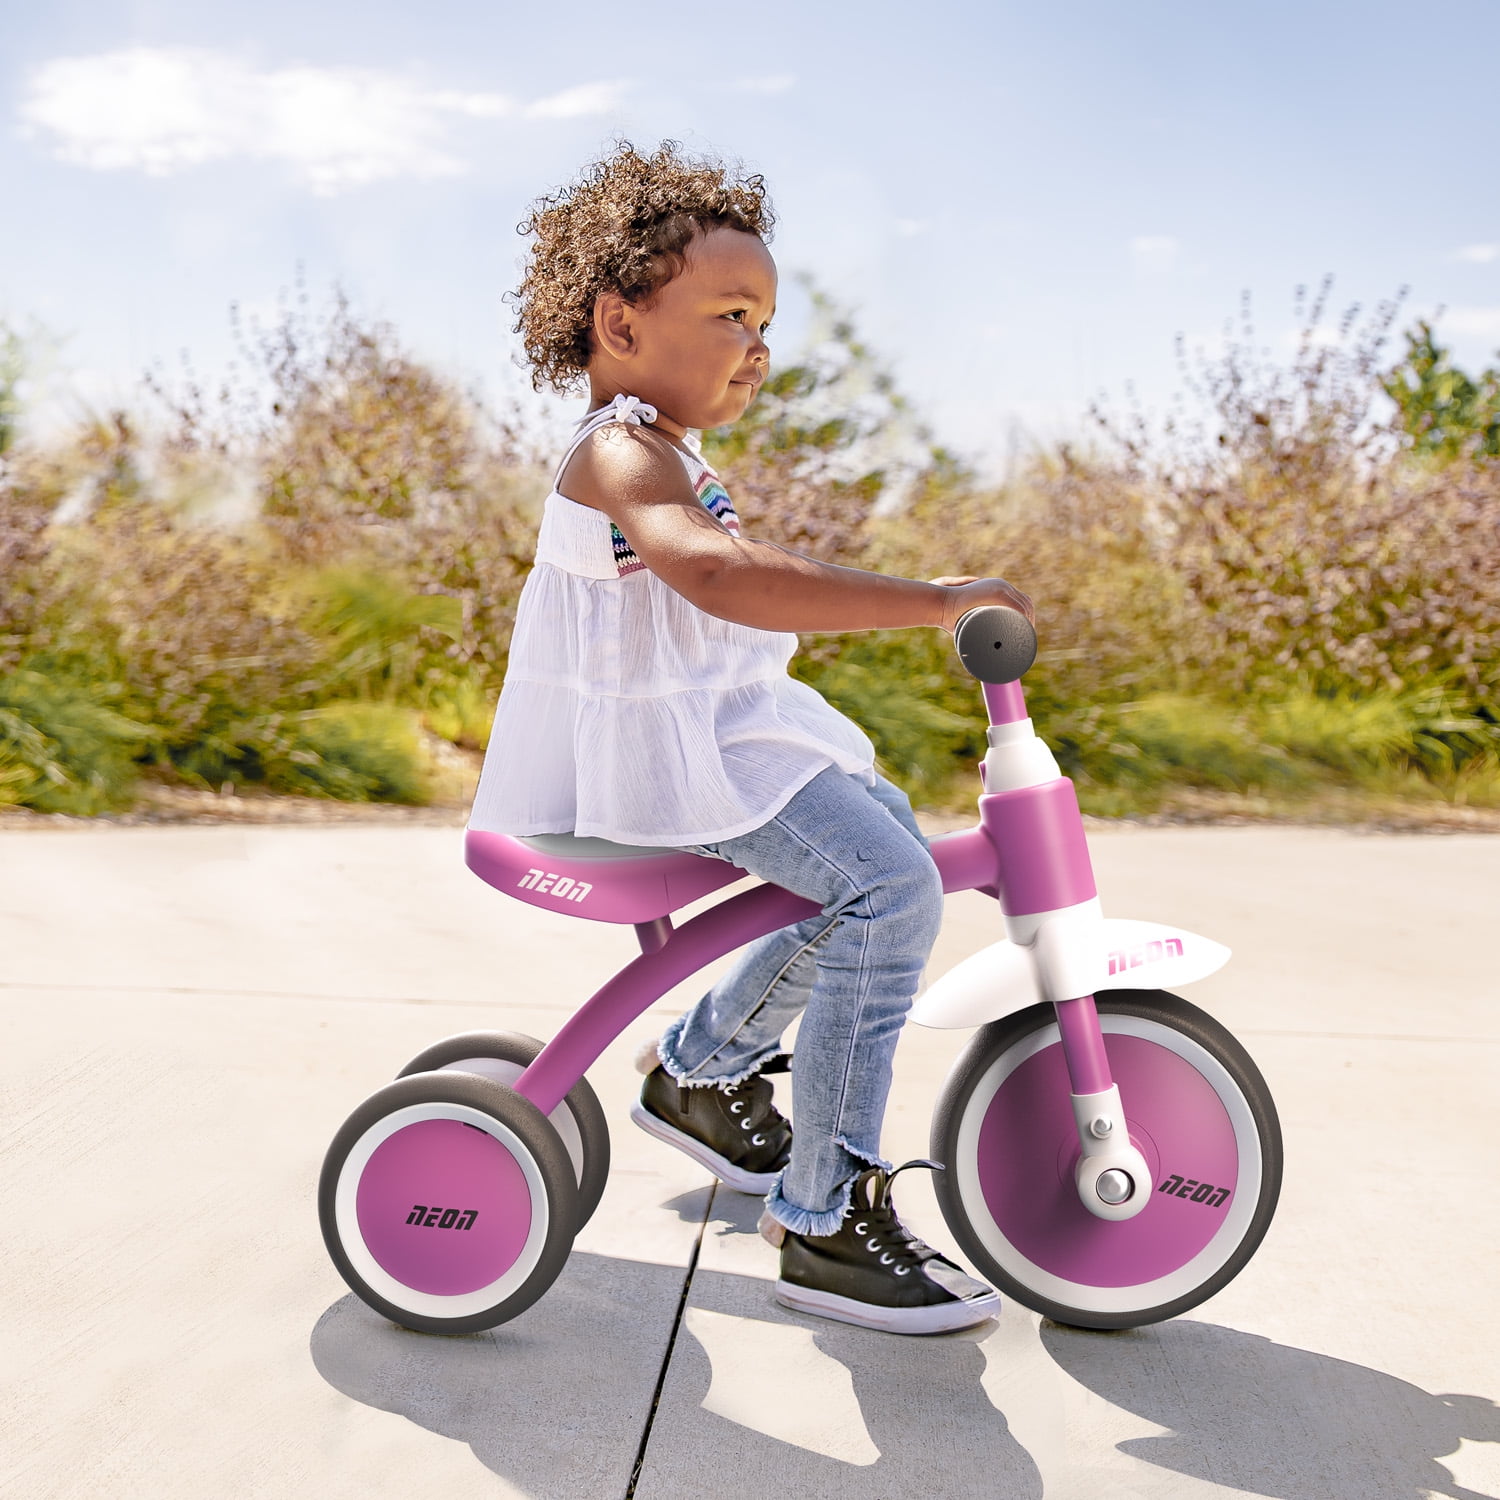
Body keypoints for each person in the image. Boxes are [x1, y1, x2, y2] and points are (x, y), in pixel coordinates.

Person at [470, 140, 1033, 1335]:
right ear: (620, 324)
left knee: (888, 847)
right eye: (732, 313)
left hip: (731, 738)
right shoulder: (618, 449)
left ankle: (704, 1070)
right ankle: (825, 1216)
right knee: (888, 890)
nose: (758, 347)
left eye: (766, 321)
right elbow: (718, 575)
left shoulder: (670, 448)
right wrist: (933, 601)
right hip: (681, 763)